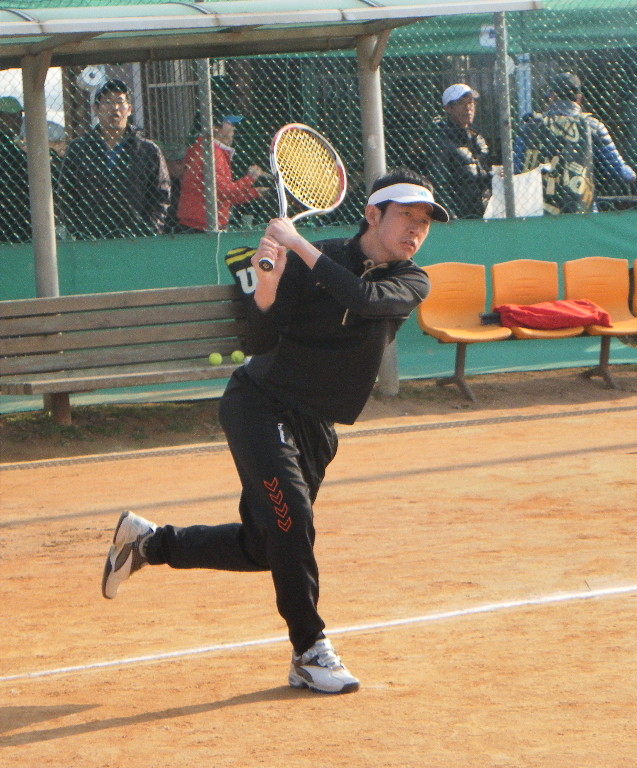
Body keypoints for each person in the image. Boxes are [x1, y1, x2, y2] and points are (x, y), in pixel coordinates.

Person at [101, 168, 449, 695]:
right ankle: (309, 650)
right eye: (406, 216)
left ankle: (149, 544)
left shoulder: (411, 279)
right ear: (373, 214)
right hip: (260, 405)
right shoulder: (316, 257)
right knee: (294, 523)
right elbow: (261, 340)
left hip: (315, 425)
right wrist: (267, 286)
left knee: (265, 546)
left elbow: (364, 299)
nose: (416, 229)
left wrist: (300, 247)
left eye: (424, 221)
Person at [56, 79, 171, 239]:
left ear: (129, 109)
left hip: (135, 239)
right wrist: (78, 231)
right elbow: (66, 193)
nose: (115, 108)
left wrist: (149, 231)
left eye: (120, 102)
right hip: (91, 239)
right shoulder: (79, 149)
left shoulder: (147, 150)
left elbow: (161, 195)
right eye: (107, 102)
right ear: (96, 109)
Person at [514, 71, 636, 214]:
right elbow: (620, 172)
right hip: (581, 211)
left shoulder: (531, 126)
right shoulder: (592, 126)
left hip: (537, 211)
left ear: (552, 96)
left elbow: (516, 169)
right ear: (579, 98)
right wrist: (630, 172)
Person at [177, 114, 268, 232]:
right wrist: (250, 178)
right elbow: (224, 192)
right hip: (201, 225)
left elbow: (224, 197)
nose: (234, 129)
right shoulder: (212, 152)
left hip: (202, 223)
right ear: (215, 128)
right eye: (230, 124)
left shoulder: (209, 149)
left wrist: (255, 192)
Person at [429, 83, 491, 219]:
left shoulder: (477, 138)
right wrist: (451, 218)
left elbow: (483, 176)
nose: (468, 107)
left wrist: (494, 176)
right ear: (448, 108)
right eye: (461, 103)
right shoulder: (441, 141)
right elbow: (439, 185)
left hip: (483, 213)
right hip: (460, 218)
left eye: (471, 102)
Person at [0, 96, 31, 244]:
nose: (18, 121)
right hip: (12, 217)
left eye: (19, 116)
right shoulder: (8, 148)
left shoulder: (12, 146)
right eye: (11, 117)